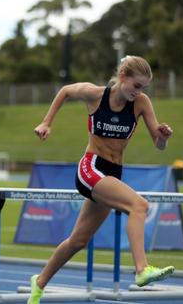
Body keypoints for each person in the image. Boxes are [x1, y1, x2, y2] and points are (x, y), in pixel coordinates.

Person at [27, 56, 174, 304]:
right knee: (139, 206)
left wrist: (163, 137)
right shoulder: (95, 95)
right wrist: (46, 122)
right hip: (91, 167)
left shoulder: (141, 103)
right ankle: (142, 269)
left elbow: (158, 145)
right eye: (136, 86)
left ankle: (39, 283)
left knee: (78, 240)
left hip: (113, 172)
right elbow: (64, 91)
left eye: (143, 88)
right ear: (123, 76)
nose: (138, 92)